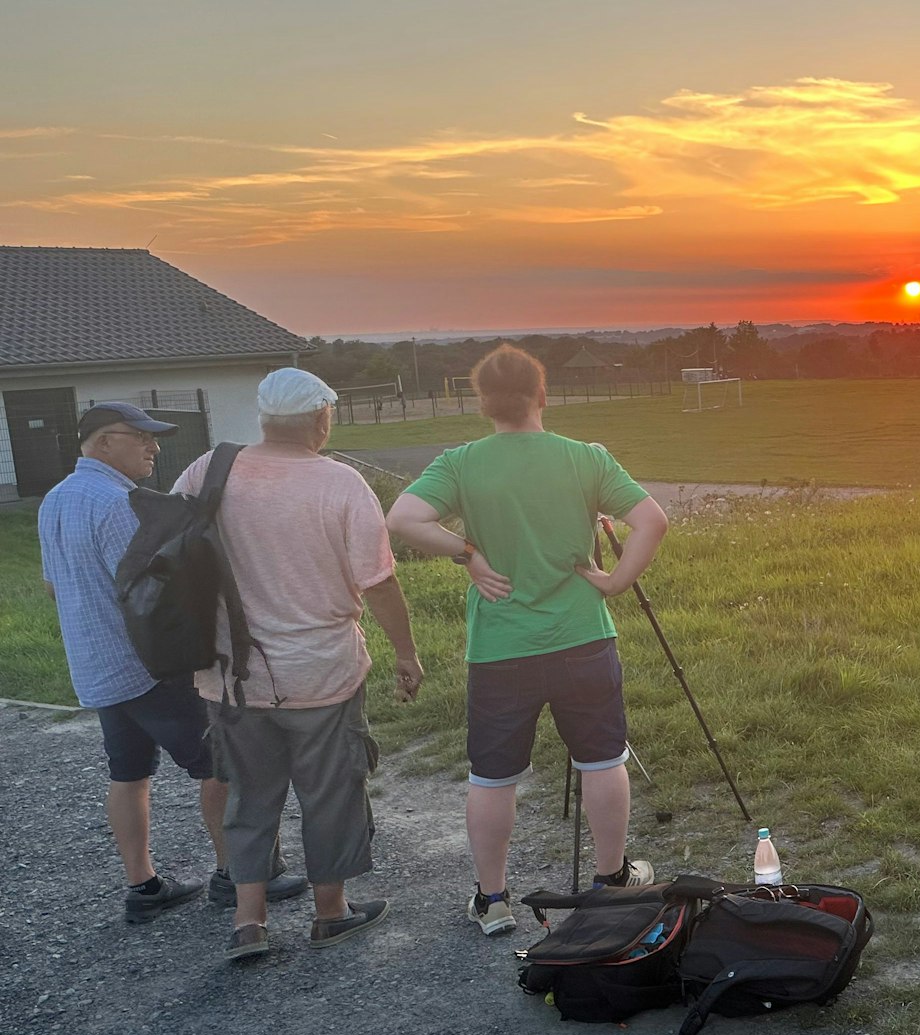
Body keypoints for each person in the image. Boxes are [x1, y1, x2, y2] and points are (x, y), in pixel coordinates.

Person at [387, 344, 667, 937]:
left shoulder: (461, 463)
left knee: (493, 774)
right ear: (543, 396)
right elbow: (652, 520)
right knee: (602, 759)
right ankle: (611, 880)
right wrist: (615, 582)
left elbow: (402, 519)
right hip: (582, 638)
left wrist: (467, 551)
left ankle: (493, 900)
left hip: (500, 647)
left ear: (482, 403)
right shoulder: (585, 459)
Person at [173, 368, 423, 960]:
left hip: (231, 674)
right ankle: (330, 911)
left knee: (250, 794)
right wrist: (406, 655)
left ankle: (249, 922)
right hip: (321, 671)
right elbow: (379, 582)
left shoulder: (207, 470)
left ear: (263, 418)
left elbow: (170, 553)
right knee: (329, 791)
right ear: (321, 417)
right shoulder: (339, 483)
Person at [38, 402, 306, 923]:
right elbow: (152, 592)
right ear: (102, 441)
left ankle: (143, 888)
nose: (153, 448)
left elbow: (54, 585)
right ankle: (239, 877)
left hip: (97, 668)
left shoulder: (54, 499)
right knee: (221, 766)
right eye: (141, 437)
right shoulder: (123, 505)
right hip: (150, 668)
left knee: (129, 774)